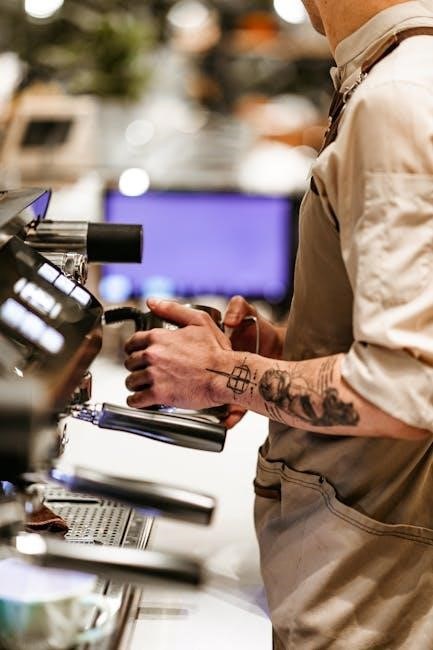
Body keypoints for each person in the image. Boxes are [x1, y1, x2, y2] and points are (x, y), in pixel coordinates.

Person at [124, 1, 433, 646]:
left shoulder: (397, 97)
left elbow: (406, 388)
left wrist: (223, 374)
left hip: (374, 595)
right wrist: (286, 350)